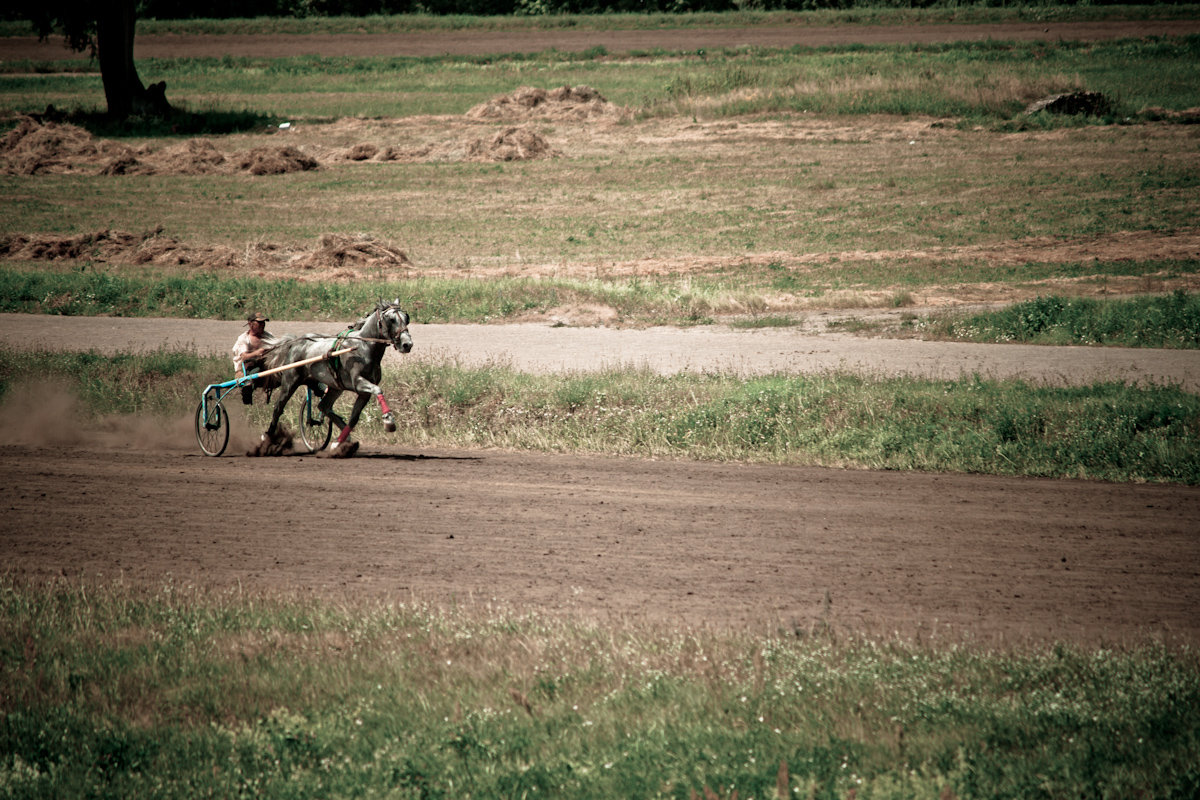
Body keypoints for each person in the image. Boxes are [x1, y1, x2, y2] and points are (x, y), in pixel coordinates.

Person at [232, 311, 278, 404]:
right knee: (254, 373)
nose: (263, 325)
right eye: (260, 323)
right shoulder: (244, 338)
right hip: (246, 368)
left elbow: (277, 346)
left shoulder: (268, 336)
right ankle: (246, 395)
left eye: (263, 323)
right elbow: (244, 357)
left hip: (264, 366)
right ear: (250, 324)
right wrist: (257, 353)